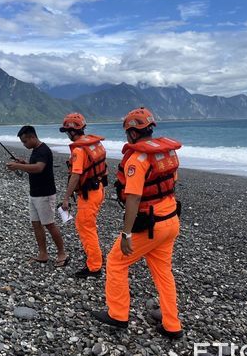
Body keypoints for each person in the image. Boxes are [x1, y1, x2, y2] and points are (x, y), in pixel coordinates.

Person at [92, 107, 184, 339]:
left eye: (127, 132)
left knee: (115, 261)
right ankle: (172, 326)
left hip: (151, 225)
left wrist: (126, 234)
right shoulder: (168, 154)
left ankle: (118, 314)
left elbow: (133, 197)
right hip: (171, 220)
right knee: (164, 273)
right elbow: (172, 183)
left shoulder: (137, 159)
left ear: (133, 133)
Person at [6, 125, 69, 267]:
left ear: (32, 137)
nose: (24, 144)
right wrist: (24, 163)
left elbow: (39, 168)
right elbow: (34, 168)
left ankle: (62, 253)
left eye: (25, 141)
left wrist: (18, 166)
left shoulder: (43, 150)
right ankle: (43, 254)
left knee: (49, 224)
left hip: (45, 194)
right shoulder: (36, 150)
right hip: (34, 193)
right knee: (36, 224)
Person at [60, 113, 108, 278]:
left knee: (86, 228)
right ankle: (96, 256)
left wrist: (66, 197)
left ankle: (94, 267)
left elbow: (76, 174)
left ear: (73, 131)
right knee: (88, 226)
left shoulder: (79, 150)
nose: (67, 134)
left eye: (67, 131)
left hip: (89, 194)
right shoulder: (93, 144)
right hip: (98, 188)